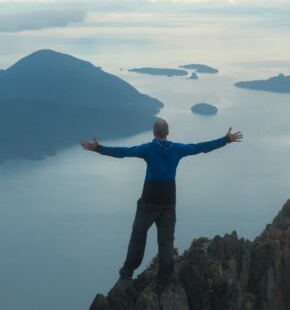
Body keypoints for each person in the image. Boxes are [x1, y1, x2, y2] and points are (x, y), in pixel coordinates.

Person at [81, 118, 243, 292]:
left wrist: (99, 148)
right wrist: (226, 139)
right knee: (166, 243)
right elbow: (200, 147)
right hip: (168, 203)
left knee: (138, 235)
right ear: (168, 133)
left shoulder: (148, 149)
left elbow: (124, 152)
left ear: (153, 133)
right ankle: (164, 281)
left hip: (149, 202)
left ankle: (128, 272)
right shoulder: (177, 149)